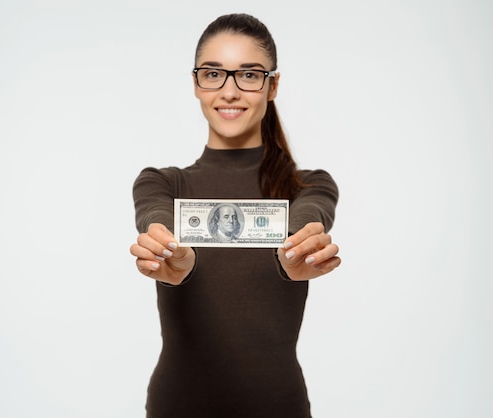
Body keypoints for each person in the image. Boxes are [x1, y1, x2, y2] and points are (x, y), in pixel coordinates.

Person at [129, 13, 341, 418]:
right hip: (177, 406)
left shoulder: (310, 184)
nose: (229, 91)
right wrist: (172, 253)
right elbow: (155, 217)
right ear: (196, 83)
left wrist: (294, 252)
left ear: (272, 85)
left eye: (249, 75)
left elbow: (310, 215)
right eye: (213, 74)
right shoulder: (161, 182)